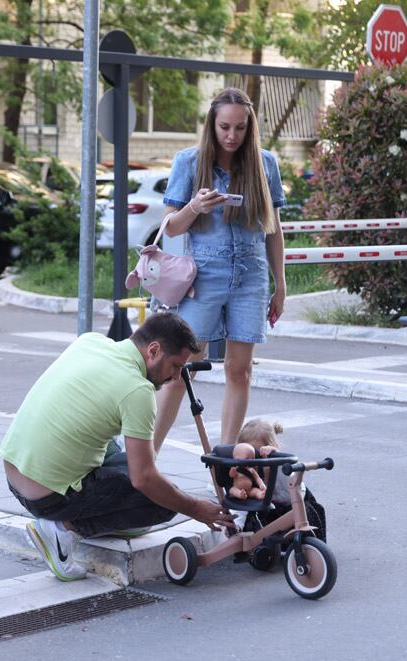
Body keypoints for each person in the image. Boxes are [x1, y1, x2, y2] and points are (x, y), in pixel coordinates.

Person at [0, 312, 236, 581]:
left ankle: (79, 515)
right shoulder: (137, 390)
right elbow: (143, 478)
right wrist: (193, 508)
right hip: (48, 498)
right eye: (175, 365)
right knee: (163, 502)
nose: (177, 376)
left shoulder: (90, 342)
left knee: (135, 464)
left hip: (14, 473)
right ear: (154, 350)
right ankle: (61, 528)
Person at [152, 87, 287, 450]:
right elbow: (171, 228)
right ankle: (146, 458)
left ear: (250, 128)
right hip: (204, 277)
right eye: (224, 127)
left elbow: (273, 231)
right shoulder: (190, 162)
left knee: (239, 370)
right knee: (178, 370)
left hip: (250, 277)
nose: (232, 136)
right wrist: (195, 207)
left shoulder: (265, 164)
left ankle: (227, 460)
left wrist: (281, 285)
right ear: (212, 125)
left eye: (240, 128)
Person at [227, 419, 283, 501]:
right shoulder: (242, 467)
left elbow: (284, 464)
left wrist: (274, 453)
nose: (250, 460)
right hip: (253, 497)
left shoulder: (272, 457)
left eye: (256, 455)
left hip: (285, 499)